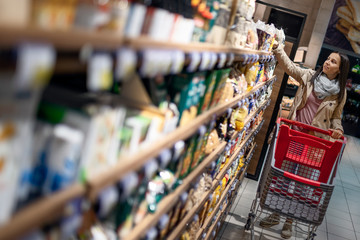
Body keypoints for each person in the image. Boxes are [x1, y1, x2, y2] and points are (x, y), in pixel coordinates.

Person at [259, 41, 349, 239]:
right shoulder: (309, 77)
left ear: (339, 70)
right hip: (294, 135)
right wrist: (278, 48)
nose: (327, 62)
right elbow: (290, 67)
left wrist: (338, 130)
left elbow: (335, 117)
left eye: (333, 62)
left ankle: (289, 221)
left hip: (315, 143)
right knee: (284, 176)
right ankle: (276, 214)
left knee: (302, 183)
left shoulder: (340, 93)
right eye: (327, 59)